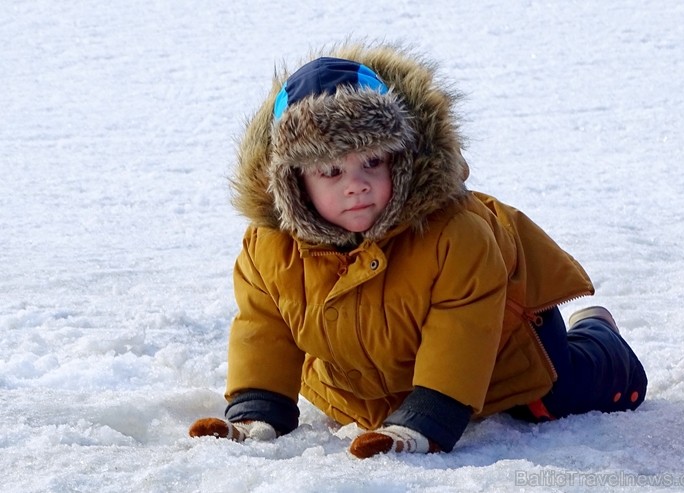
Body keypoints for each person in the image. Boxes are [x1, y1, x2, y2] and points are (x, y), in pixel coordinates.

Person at [189, 43, 648, 458]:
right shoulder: (269, 249)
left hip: (500, 343)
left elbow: (462, 330)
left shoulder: (454, 235)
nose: (357, 185)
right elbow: (264, 328)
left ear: (401, 156)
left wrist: (424, 423)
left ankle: (599, 336)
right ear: (293, 183)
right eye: (331, 171)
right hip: (366, 371)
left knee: (545, 399)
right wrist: (257, 411)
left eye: (372, 161)